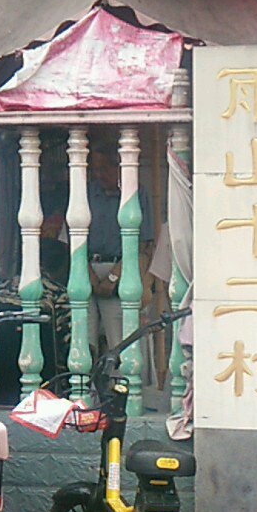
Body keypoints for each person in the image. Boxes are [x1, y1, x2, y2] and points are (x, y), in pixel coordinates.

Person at [86, 139, 153, 353]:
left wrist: (113, 277)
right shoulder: (88, 193)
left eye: (104, 168)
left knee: (119, 342)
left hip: (121, 271)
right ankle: (87, 387)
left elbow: (143, 246)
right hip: (87, 272)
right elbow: (73, 241)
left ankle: (117, 384)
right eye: (95, 169)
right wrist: (89, 276)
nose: (99, 175)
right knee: (85, 338)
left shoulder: (136, 194)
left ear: (119, 167)